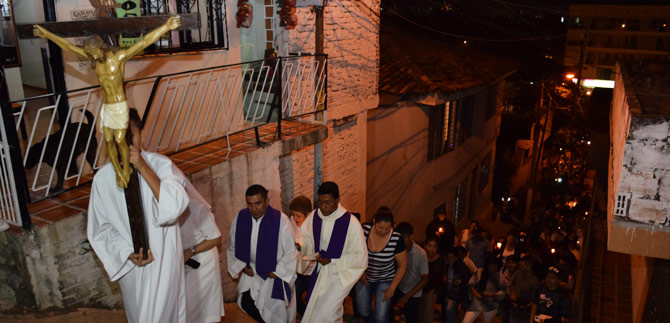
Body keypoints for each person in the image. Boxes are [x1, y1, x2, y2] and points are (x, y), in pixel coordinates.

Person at [33, 16, 181, 188]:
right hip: (107, 106)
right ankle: (119, 171)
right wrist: (47, 34)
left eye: (95, 52)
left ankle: (126, 169)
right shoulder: (95, 59)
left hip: (119, 106)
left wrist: (166, 27)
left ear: (101, 46)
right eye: (91, 53)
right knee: (108, 141)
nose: (93, 57)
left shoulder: (117, 59)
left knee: (120, 140)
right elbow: (68, 46)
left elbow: (142, 43)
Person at [87, 108, 191, 323]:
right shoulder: (102, 179)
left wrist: (143, 166)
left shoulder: (163, 166)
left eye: (130, 135)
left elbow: (173, 208)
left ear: (140, 133)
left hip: (164, 264)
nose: (124, 144)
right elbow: (100, 230)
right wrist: (126, 253)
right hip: (133, 269)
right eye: (116, 137)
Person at [227, 185, 297, 322]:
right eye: (250, 204)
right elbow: (232, 245)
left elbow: (290, 252)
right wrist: (242, 266)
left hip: (272, 275)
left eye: (258, 203)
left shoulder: (280, 220)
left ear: (266, 201)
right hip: (251, 273)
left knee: (274, 313)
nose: (254, 208)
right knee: (246, 303)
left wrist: (277, 271)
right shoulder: (241, 217)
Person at [299, 181, 367, 322]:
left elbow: (360, 257)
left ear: (337, 200)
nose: (323, 207)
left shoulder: (351, 223)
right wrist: (301, 245)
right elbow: (305, 237)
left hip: (340, 275)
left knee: (327, 313)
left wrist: (333, 260)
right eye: (321, 202)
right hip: (320, 272)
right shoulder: (315, 215)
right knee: (316, 311)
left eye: (328, 202)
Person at [179, 180, 225, 323]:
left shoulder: (197, 208)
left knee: (198, 305)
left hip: (203, 262)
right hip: (185, 263)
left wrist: (191, 251)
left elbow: (216, 238)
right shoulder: (168, 210)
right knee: (186, 304)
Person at [354, 207, 407, 323]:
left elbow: (402, 266)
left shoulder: (396, 238)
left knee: (381, 316)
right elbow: (354, 251)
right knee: (362, 310)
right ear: (374, 221)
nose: (383, 231)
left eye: (387, 229)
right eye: (380, 227)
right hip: (365, 277)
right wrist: (360, 272)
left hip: (385, 279)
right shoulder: (364, 230)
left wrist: (392, 288)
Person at [394, 222, 429, 323]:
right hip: (399, 287)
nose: (401, 241)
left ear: (411, 236)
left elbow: (425, 279)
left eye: (404, 238)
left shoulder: (421, 253)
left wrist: (407, 296)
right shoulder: (397, 249)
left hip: (414, 292)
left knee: (412, 319)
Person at [462, 256, 507, 323]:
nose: (492, 269)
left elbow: (504, 290)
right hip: (476, 303)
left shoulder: (500, 276)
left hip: (491, 304)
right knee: (466, 321)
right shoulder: (479, 271)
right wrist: (475, 293)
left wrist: (491, 294)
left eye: (495, 267)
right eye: (490, 267)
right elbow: (470, 284)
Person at [288, 195, 312, 316]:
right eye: (293, 215)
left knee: (313, 299)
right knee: (295, 299)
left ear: (307, 214)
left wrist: (301, 247)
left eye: (298, 216)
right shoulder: (292, 221)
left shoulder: (313, 225)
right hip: (299, 270)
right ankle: (307, 315)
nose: (295, 218)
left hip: (312, 271)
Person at [441, 248, 472, 323]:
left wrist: (461, 281)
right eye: (448, 258)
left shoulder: (462, 266)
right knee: (450, 310)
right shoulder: (445, 266)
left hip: (456, 291)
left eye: (452, 258)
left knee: (449, 308)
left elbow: (468, 278)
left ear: (456, 257)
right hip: (447, 290)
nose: (450, 260)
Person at [418, 237, 444, 323]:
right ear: (425, 246)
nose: (431, 249)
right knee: (418, 312)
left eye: (434, 247)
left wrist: (437, 293)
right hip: (419, 287)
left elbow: (440, 279)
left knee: (428, 313)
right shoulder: (421, 257)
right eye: (430, 246)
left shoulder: (440, 261)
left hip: (431, 290)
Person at [509, 256, 539, 323]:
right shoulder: (518, 273)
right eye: (519, 265)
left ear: (529, 266)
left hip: (525, 313)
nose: (520, 267)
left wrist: (521, 306)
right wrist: (513, 293)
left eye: (522, 266)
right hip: (514, 309)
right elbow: (512, 284)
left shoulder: (534, 282)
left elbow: (534, 302)